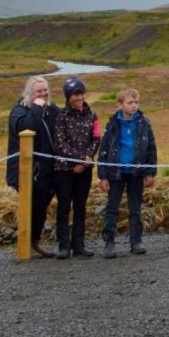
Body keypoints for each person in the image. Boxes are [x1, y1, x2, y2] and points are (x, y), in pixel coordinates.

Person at [98, 88, 157, 259]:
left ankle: (136, 241)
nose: (134, 106)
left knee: (135, 208)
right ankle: (109, 242)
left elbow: (151, 149)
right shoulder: (112, 125)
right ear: (120, 105)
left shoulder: (144, 123)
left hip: (136, 172)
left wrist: (150, 172)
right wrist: (103, 176)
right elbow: (104, 150)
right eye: (130, 103)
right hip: (115, 173)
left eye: (136, 102)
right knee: (112, 208)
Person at [6, 75, 60, 258]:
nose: (44, 94)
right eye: (39, 91)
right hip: (27, 171)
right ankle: (25, 245)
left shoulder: (52, 109)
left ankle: (34, 242)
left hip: (48, 169)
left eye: (45, 90)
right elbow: (25, 127)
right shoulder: (19, 110)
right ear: (30, 93)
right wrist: (36, 108)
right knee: (31, 207)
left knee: (41, 208)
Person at [52, 77, 101, 259]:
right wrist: (80, 160)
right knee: (64, 206)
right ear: (68, 96)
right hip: (64, 170)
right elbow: (60, 144)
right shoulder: (61, 117)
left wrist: (87, 159)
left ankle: (79, 244)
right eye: (76, 94)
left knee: (80, 206)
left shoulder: (92, 115)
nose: (80, 97)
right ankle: (63, 245)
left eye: (81, 93)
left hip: (85, 170)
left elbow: (96, 138)